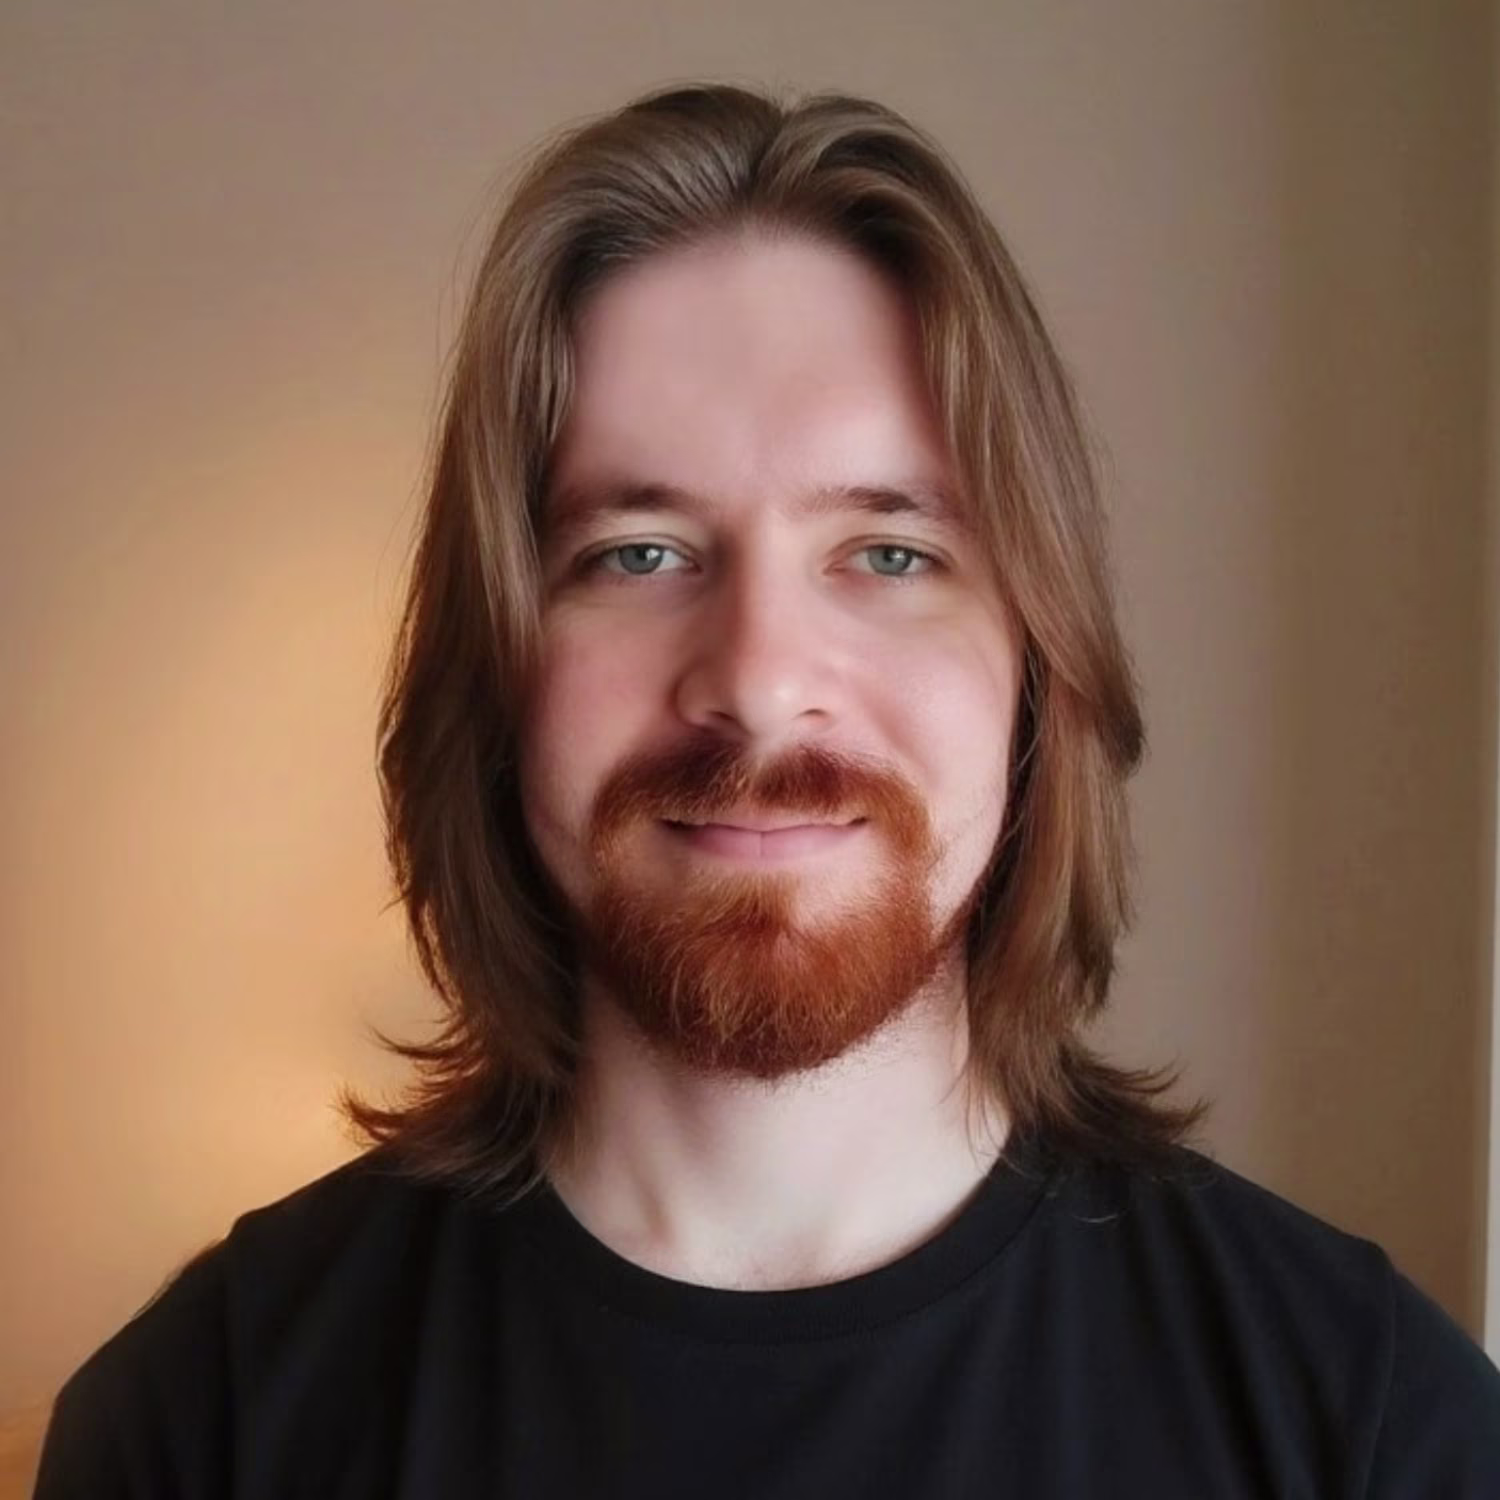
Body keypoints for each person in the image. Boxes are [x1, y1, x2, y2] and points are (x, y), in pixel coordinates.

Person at [34, 81, 1500, 1498]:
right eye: (639, 552)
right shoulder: (200, 1421)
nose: (758, 678)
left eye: (889, 553)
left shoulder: (1371, 1426)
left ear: (1038, 666)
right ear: (498, 667)